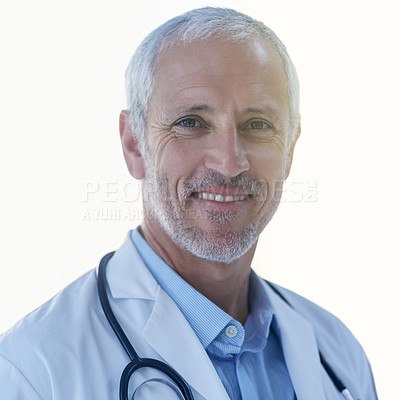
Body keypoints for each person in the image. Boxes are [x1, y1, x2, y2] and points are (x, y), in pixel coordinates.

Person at [0, 7, 377, 400]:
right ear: (134, 145)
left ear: (290, 150)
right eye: (191, 122)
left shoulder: (338, 353)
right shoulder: (31, 371)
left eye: (258, 125)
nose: (229, 164)